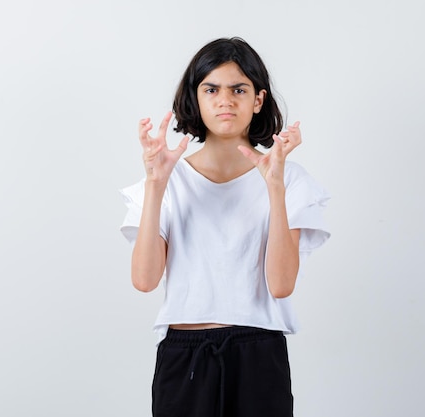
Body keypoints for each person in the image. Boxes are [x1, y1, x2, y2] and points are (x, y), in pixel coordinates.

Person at [119, 37, 330, 417]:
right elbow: (145, 280)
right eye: (211, 89)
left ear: (258, 100)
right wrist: (155, 184)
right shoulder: (168, 179)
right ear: (196, 98)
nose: (225, 100)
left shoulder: (288, 179)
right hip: (185, 355)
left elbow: (281, 285)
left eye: (239, 89)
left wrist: (275, 187)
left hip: (259, 352)